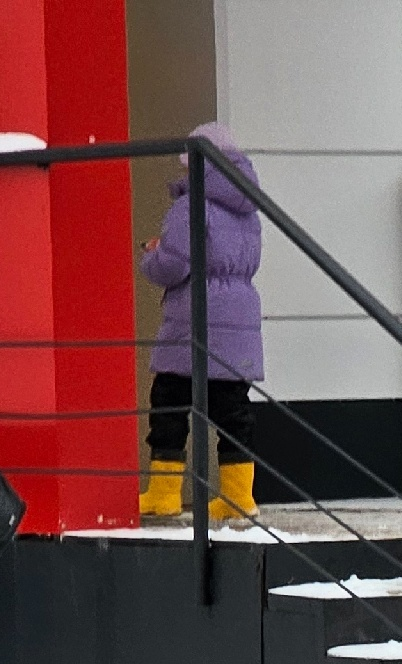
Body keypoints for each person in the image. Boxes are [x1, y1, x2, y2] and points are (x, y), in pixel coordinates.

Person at [139, 123, 264, 520]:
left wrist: (151, 255)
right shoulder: (248, 210)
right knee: (231, 407)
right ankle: (238, 498)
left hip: (195, 316)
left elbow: (174, 264)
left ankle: (163, 494)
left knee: (169, 402)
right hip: (240, 312)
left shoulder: (190, 207)